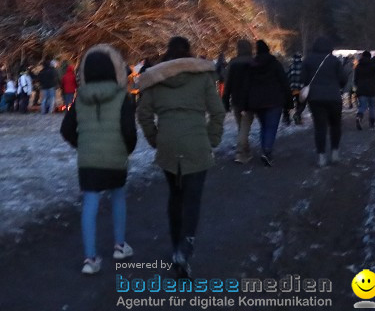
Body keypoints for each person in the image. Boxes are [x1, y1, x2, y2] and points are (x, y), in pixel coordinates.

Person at [136, 36, 225, 279]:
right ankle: (184, 250)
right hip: (196, 143)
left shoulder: (157, 78)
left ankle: (176, 245)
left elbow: (143, 114)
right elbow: (218, 112)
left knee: (175, 197)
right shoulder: (202, 77)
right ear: (189, 52)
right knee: (192, 199)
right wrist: (212, 139)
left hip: (168, 145)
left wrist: (155, 139)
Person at [60, 44, 137, 275]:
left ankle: (90, 258)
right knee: (118, 197)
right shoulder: (123, 97)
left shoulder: (79, 99)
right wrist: (126, 150)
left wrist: (81, 145)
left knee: (90, 205)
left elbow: (66, 129)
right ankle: (120, 246)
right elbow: (129, 131)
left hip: (88, 161)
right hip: (115, 158)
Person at [301, 38, 348, 167]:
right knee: (335, 125)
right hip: (334, 97)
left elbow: (303, 78)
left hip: (315, 98)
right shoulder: (334, 61)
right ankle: (335, 153)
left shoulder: (307, 60)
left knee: (320, 127)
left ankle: (321, 156)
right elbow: (343, 78)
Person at [245, 40, 291, 166]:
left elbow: (247, 84)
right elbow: (284, 82)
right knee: (271, 127)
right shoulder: (275, 64)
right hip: (274, 100)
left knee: (264, 126)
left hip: (257, 101)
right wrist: (289, 100)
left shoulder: (252, 65)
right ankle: (267, 151)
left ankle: (265, 149)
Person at [221, 39, 254, 164]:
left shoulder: (233, 63)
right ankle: (240, 152)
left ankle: (246, 150)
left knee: (241, 126)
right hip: (250, 99)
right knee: (245, 126)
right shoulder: (253, 61)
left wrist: (225, 99)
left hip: (236, 99)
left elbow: (227, 82)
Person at [353, 51, 375, 130]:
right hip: (371, 88)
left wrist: (357, 86)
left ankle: (359, 116)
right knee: (372, 107)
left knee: (362, 106)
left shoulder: (358, 66)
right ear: (370, 57)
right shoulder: (373, 65)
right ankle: (371, 124)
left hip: (361, 89)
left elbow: (355, 79)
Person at [287, 52, 305, 124]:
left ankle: (287, 119)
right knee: (300, 104)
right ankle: (298, 118)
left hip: (292, 89)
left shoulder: (291, 66)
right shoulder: (303, 66)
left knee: (290, 104)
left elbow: (288, 77)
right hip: (300, 89)